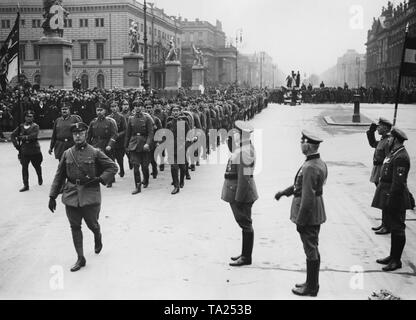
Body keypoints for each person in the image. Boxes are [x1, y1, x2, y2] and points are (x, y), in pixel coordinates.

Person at [48, 122, 118, 272]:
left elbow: (113, 167)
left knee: (92, 224)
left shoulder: (95, 152)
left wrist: (101, 179)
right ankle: (80, 258)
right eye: (75, 134)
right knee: (75, 227)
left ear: (86, 134)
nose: (77, 136)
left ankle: (97, 234)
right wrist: (52, 196)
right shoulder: (67, 154)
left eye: (80, 133)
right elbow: (59, 176)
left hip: (90, 194)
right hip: (71, 194)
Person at [274, 130, 327, 297]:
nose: (300, 145)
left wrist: (301, 221)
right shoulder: (317, 162)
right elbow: (301, 186)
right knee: (312, 247)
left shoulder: (311, 166)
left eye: (302, 142)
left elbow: (308, 197)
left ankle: (311, 287)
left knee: (310, 249)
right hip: (315, 212)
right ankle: (311, 283)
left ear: (308, 145)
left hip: (309, 215)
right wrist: (284, 192)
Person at [372, 128, 412, 272]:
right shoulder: (394, 153)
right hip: (389, 194)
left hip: (396, 198)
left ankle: (396, 260)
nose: (388, 139)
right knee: (394, 229)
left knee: (398, 229)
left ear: (395, 139)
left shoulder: (401, 156)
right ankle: (392, 256)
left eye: (390, 138)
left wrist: (392, 201)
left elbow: (398, 183)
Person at [221, 120, 258, 267]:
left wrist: (239, 199)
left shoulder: (244, 152)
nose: (233, 134)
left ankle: (246, 257)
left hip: (240, 193)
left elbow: (244, 179)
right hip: (238, 191)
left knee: (246, 224)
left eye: (236, 132)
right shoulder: (244, 147)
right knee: (244, 224)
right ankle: (244, 254)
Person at [366, 117, 393, 234]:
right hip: (378, 170)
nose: (377, 128)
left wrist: (385, 175)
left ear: (386, 128)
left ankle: (387, 226)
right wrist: (370, 132)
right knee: (382, 198)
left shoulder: (388, 141)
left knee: (385, 198)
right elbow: (373, 144)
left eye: (379, 126)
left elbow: (389, 160)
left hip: (382, 171)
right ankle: (384, 223)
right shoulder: (383, 139)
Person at [125, 100, 154, 194]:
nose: (137, 107)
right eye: (135, 106)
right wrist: (126, 146)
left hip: (144, 144)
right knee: (136, 166)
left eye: (140, 106)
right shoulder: (130, 119)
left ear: (142, 107)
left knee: (145, 167)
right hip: (134, 144)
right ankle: (138, 186)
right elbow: (128, 134)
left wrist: (148, 143)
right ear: (133, 108)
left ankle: (146, 179)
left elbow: (150, 133)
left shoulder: (147, 118)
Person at [10, 110, 44, 192]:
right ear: (25, 117)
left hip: (34, 149)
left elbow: (33, 136)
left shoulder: (35, 126)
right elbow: (12, 135)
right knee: (24, 168)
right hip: (24, 150)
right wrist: (16, 145)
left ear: (33, 118)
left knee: (37, 166)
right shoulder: (21, 126)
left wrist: (22, 137)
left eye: (31, 116)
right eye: (27, 116)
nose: (29, 118)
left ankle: (39, 177)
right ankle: (26, 185)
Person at [87, 102, 118, 188]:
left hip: (106, 144)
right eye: (98, 110)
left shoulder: (110, 121)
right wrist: (87, 146)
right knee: (96, 162)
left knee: (109, 162)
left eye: (101, 110)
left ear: (105, 111)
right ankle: (97, 179)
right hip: (96, 145)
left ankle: (110, 179)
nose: (99, 112)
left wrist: (110, 145)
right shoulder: (93, 122)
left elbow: (114, 134)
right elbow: (89, 136)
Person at [166, 104, 190, 194]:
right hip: (172, 148)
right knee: (174, 167)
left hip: (181, 148)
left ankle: (181, 181)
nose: (175, 112)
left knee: (183, 167)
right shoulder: (169, 123)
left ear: (180, 112)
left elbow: (188, 135)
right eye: (174, 111)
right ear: (172, 112)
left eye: (177, 111)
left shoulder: (184, 123)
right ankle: (176, 186)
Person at [108, 101, 127, 178]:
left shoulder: (121, 117)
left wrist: (118, 135)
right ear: (110, 108)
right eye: (112, 107)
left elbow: (125, 130)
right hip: (111, 142)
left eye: (115, 106)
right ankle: (112, 177)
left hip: (119, 141)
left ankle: (122, 169)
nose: (114, 108)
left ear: (117, 107)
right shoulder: (108, 117)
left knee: (119, 158)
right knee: (111, 159)